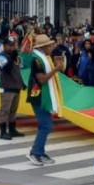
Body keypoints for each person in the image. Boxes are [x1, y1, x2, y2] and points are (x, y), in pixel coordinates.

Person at [26, 34, 57, 166]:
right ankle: (35, 152)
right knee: (46, 125)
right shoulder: (37, 60)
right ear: (44, 47)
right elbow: (42, 79)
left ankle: (40, 151)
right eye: (50, 45)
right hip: (38, 95)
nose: (52, 47)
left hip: (41, 95)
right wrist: (56, 69)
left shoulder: (42, 58)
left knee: (46, 124)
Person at [0, 35, 25, 141]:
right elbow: (6, 69)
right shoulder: (2, 56)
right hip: (6, 87)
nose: (12, 48)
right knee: (5, 110)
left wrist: (22, 83)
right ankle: (3, 132)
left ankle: (12, 129)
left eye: (13, 45)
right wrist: (12, 58)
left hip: (16, 87)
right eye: (9, 45)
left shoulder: (15, 56)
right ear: (4, 46)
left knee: (13, 110)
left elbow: (17, 72)